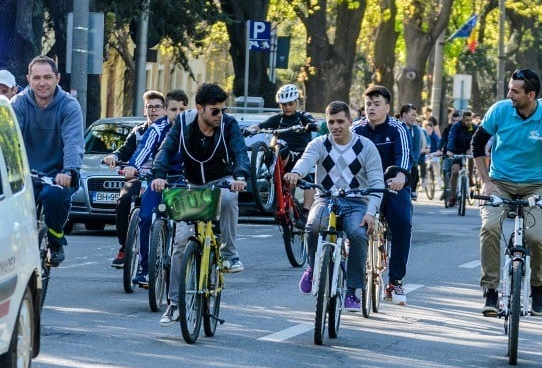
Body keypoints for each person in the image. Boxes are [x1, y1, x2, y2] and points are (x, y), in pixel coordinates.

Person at [471, 68, 542, 317]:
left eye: (515, 91)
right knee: (490, 227)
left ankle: (537, 289)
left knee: (536, 237)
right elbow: (477, 142)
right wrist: (486, 180)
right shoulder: (500, 110)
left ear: (531, 94)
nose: (509, 94)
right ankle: (490, 290)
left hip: (535, 185)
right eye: (509, 89)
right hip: (500, 181)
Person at [151, 83, 249, 326]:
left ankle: (229, 254)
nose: (220, 115)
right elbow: (167, 148)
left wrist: (240, 177)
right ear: (200, 109)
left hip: (222, 181)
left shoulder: (229, 124)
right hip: (193, 186)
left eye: (222, 110)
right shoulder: (183, 123)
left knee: (228, 198)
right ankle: (174, 304)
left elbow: (240, 151)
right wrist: (159, 174)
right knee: (180, 243)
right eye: (214, 111)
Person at [285, 101, 385, 310]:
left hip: (356, 201)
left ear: (350, 121)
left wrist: (370, 212)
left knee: (358, 235)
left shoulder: (366, 147)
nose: (336, 126)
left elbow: (377, 183)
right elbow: (306, 161)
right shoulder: (319, 144)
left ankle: (352, 291)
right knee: (312, 227)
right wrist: (296, 173)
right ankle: (313, 268)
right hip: (326, 199)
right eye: (331, 122)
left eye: (340, 121)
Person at [11, 56, 84, 266]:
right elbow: (10, 138)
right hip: (25, 172)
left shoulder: (69, 106)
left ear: (57, 78)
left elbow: (73, 142)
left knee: (54, 197)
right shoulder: (19, 103)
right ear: (28, 79)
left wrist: (69, 171)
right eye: (36, 78)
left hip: (57, 174)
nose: (42, 83)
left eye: (47, 77)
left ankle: (55, 239)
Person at [351, 85, 412, 305]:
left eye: (377, 104)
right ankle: (350, 284)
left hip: (392, 185)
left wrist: (400, 176)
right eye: (368, 104)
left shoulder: (397, 129)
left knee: (402, 222)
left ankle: (395, 281)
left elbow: (404, 156)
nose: (371, 108)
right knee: (350, 225)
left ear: (387, 108)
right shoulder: (356, 130)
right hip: (365, 188)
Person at [125, 90, 189, 286]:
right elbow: (143, 149)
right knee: (145, 217)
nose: (177, 113)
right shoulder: (157, 129)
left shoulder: (194, 129)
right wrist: (133, 166)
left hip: (184, 183)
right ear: (165, 110)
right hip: (158, 180)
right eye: (173, 109)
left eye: (182, 109)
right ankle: (146, 268)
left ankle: (192, 265)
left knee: (189, 225)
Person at [103, 90, 166, 268]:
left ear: (164, 110)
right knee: (123, 200)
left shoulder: (170, 131)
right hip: (139, 177)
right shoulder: (138, 131)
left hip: (162, 180)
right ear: (144, 110)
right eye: (149, 107)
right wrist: (114, 156)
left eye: (157, 107)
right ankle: (125, 247)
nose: (153, 111)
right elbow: (124, 150)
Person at [244, 84, 321, 221]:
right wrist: (250, 129)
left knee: (310, 181)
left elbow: (314, 123)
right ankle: (275, 176)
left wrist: (312, 125)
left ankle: (305, 212)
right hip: (283, 155)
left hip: (301, 156)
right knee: (280, 145)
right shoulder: (277, 119)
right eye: (283, 104)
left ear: (297, 102)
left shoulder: (302, 116)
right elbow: (260, 126)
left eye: (290, 104)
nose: (287, 107)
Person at [445, 108, 476, 208]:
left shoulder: (474, 128)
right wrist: (449, 150)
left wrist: (484, 150)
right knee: (454, 171)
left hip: (468, 148)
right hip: (457, 149)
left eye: (470, 120)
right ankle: (453, 196)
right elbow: (451, 137)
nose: (469, 122)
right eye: (467, 120)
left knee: (471, 154)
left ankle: (470, 177)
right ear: (462, 120)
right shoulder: (456, 127)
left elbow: (481, 139)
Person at [397, 104, 425, 200]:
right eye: (412, 115)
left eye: (415, 115)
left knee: (413, 176)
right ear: (404, 114)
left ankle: (411, 192)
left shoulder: (415, 129)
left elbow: (416, 148)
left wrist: (414, 162)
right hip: (397, 163)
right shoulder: (396, 127)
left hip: (411, 163)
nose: (414, 118)